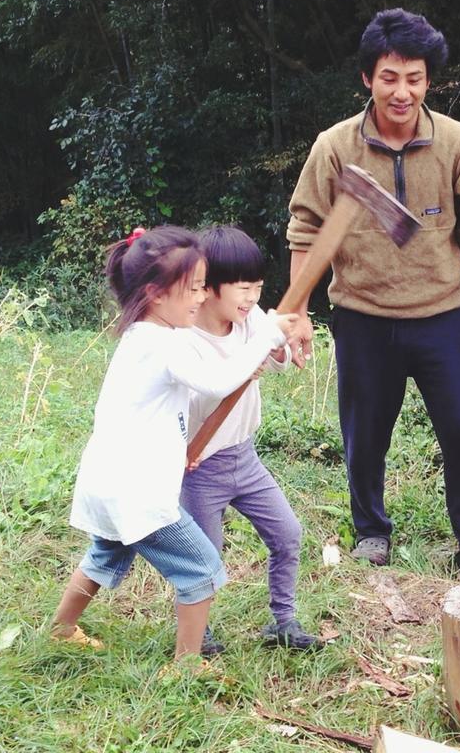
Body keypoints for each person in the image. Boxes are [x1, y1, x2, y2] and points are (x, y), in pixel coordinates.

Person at [286, 8, 460, 578]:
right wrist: (300, 312)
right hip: (362, 317)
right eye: (389, 77)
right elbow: (307, 230)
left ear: (428, 79)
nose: (402, 91)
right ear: (368, 78)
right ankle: (371, 533)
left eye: (414, 77)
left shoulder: (457, 142)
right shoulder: (335, 148)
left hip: (442, 316)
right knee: (364, 437)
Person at [49, 225, 295, 667]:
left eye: (204, 287)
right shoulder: (163, 346)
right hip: (138, 493)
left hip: (109, 482)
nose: (202, 298)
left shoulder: (143, 338)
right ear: (156, 294)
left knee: (103, 555)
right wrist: (266, 337)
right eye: (195, 289)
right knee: (201, 569)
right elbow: (219, 381)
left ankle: (62, 628)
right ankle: (186, 665)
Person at [181, 226, 320, 655]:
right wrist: (251, 357)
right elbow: (208, 387)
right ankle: (196, 635)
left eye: (258, 289)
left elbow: (275, 359)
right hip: (201, 467)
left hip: (246, 459)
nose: (251, 299)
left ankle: (283, 620)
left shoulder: (250, 320)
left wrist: (279, 346)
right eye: (243, 289)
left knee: (287, 534)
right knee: (204, 558)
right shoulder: (185, 337)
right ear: (209, 288)